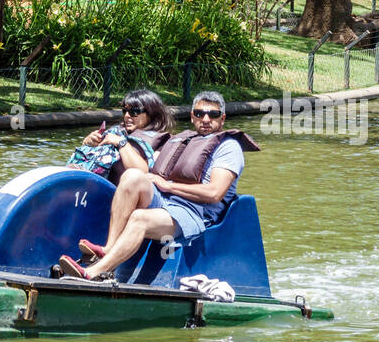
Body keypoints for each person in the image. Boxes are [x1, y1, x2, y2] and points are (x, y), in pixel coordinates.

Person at [59, 90, 259, 281]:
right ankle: (109, 248)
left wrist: (168, 186)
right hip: (166, 200)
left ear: (222, 119)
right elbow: (152, 165)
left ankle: (95, 272)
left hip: (193, 213)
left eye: (212, 114)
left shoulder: (229, 148)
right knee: (132, 176)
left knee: (139, 218)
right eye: (200, 113)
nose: (205, 119)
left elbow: (215, 193)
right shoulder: (186, 139)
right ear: (192, 116)